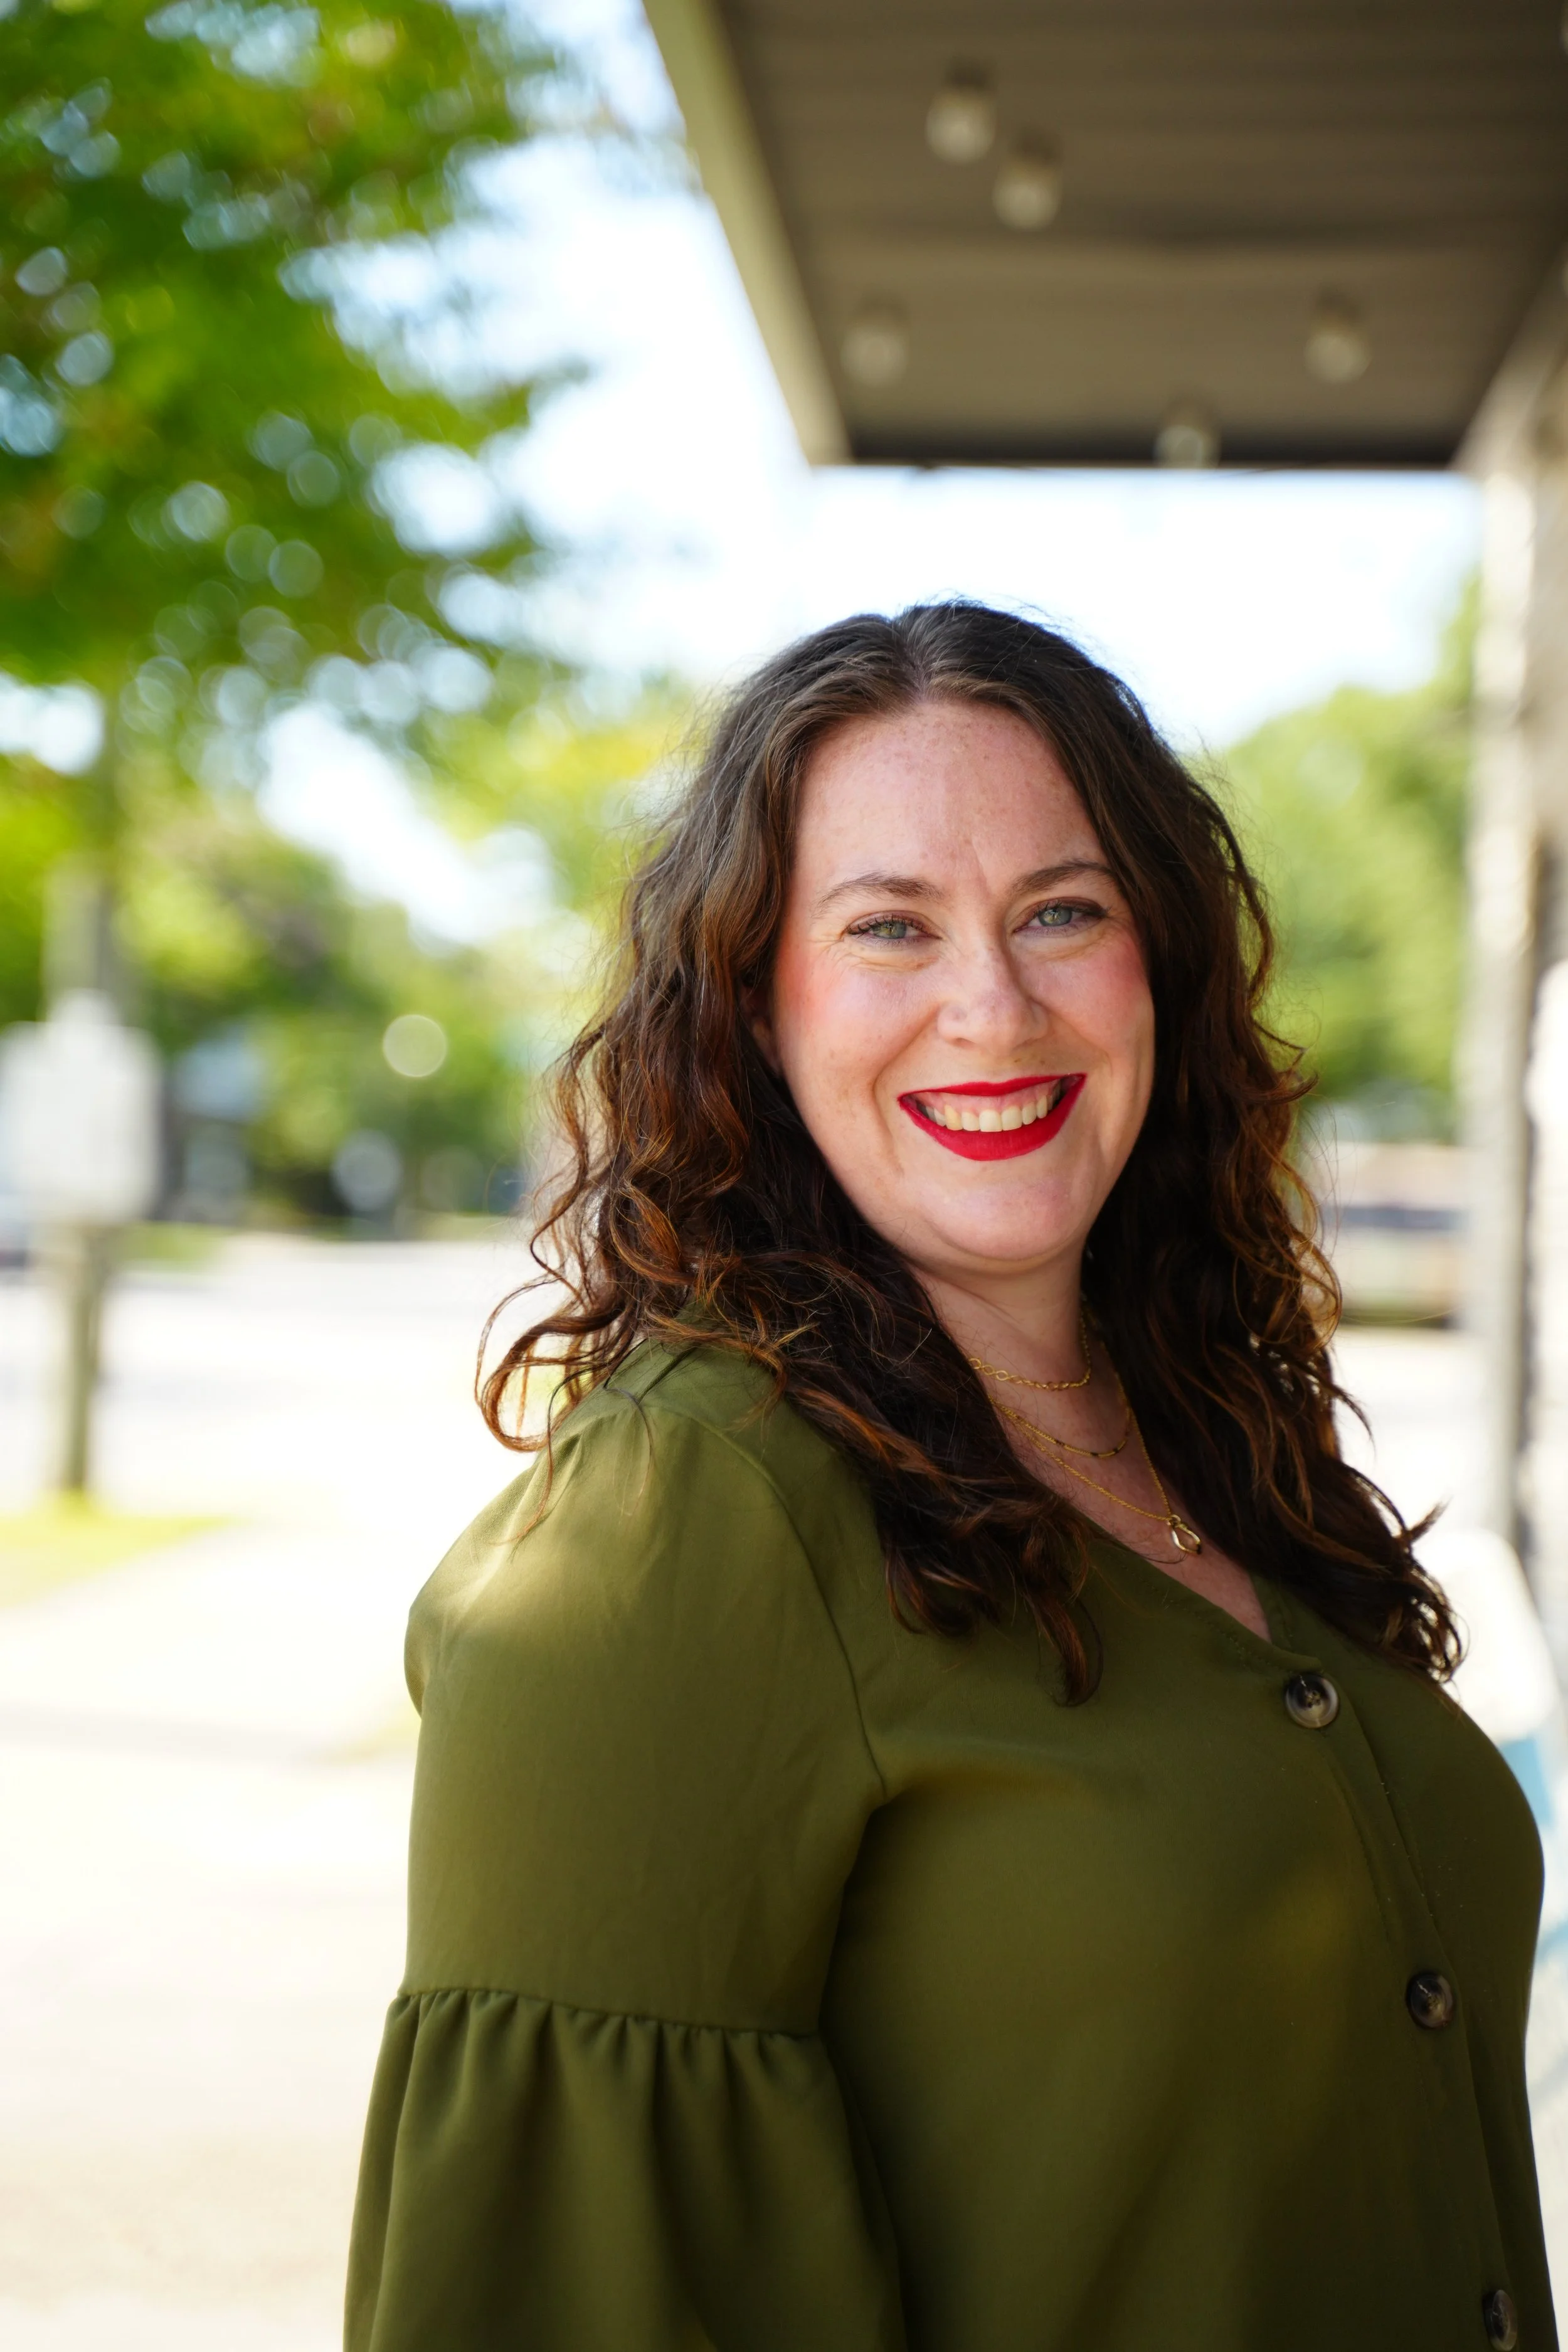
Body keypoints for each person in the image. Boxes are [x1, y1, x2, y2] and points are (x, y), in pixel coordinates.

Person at [346, 603, 1552, 2351]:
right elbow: (550, 2293)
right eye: (887, 927)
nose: (990, 1006)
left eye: (1061, 911)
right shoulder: (680, 1522)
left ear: (1164, 963)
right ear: (755, 1006)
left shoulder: (1213, 1433)